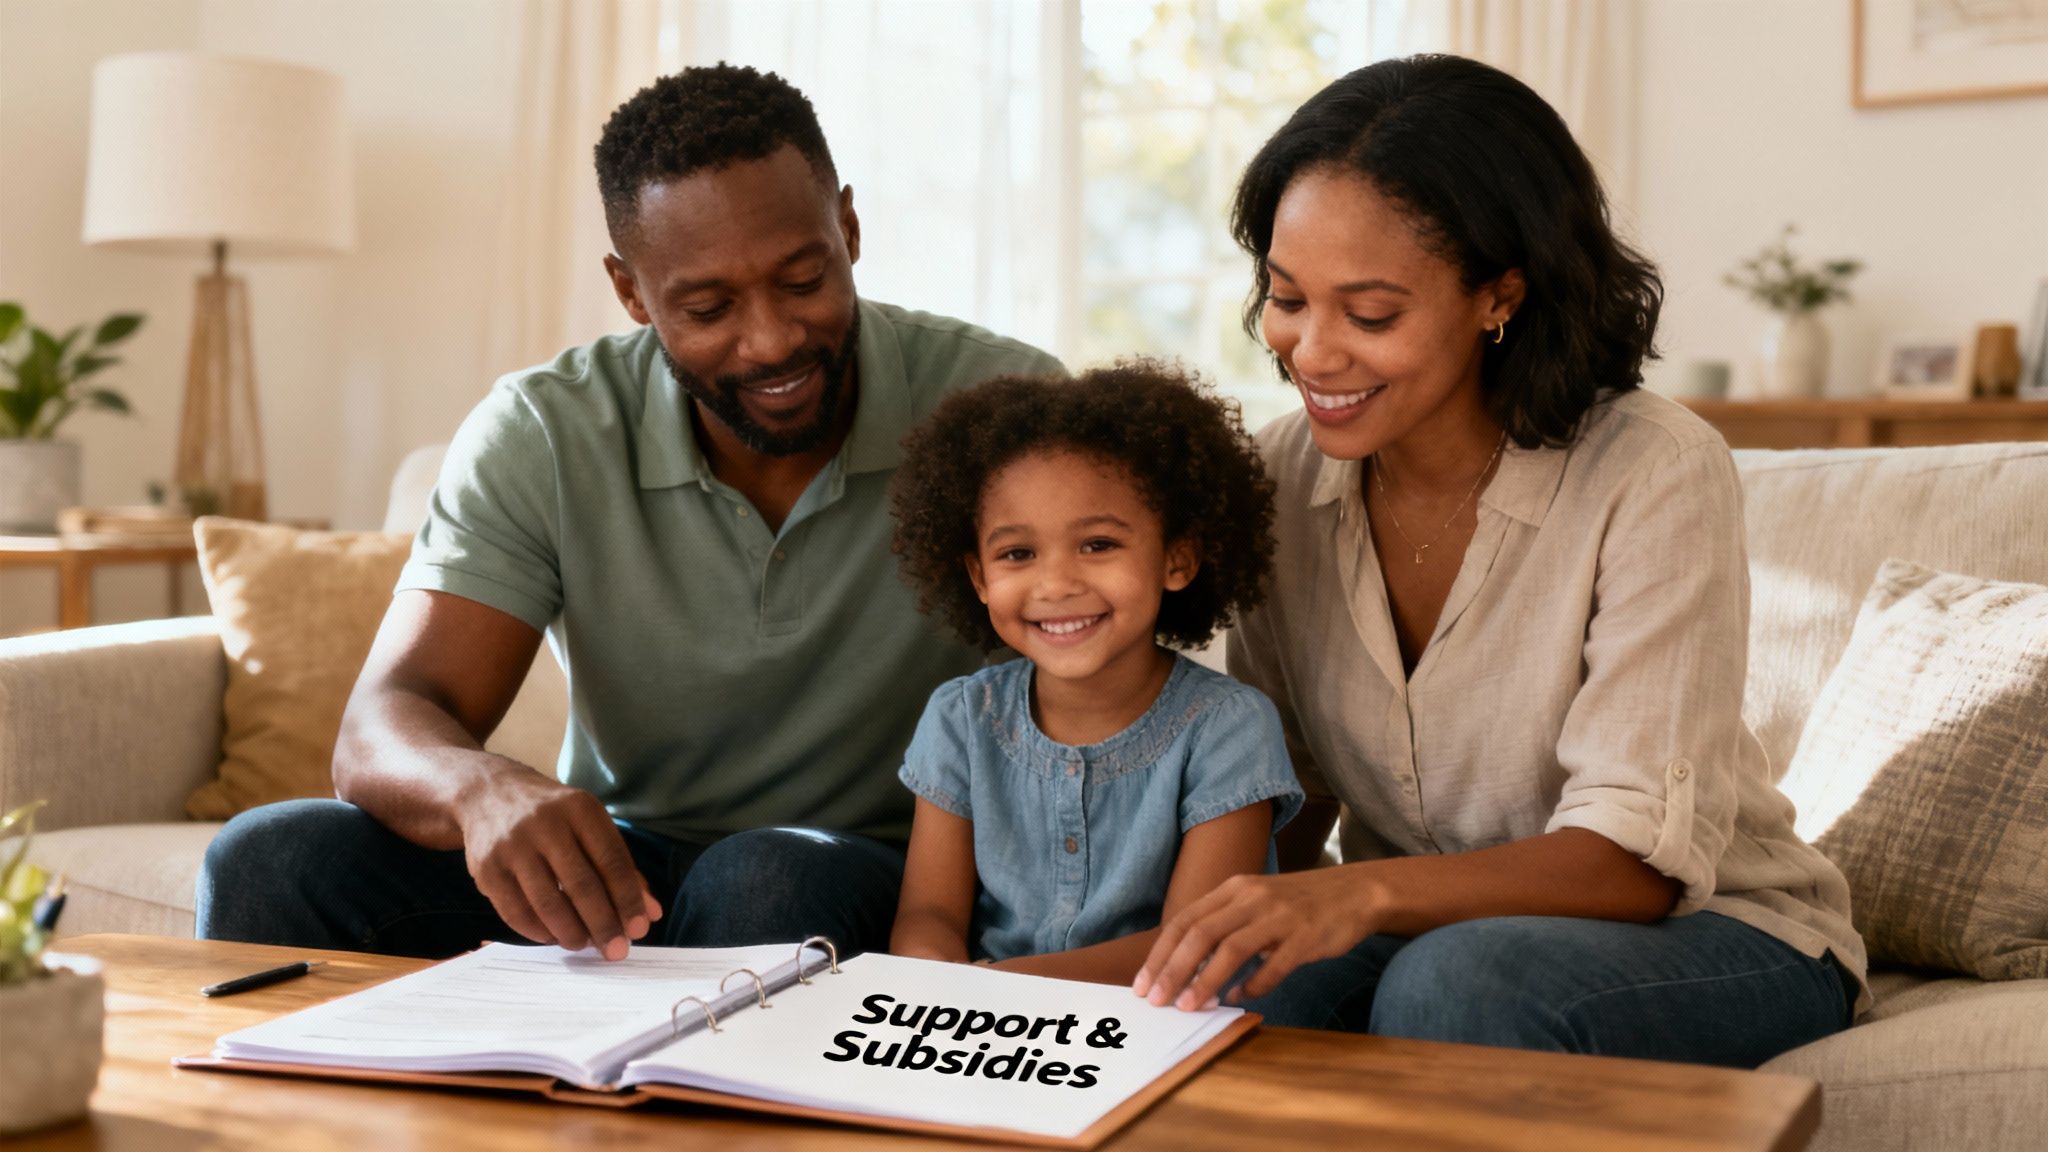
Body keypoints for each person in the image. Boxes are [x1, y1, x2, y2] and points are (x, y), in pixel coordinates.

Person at [196, 64, 1062, 962]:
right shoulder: (543, 431)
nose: (769, 340)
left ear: (847, 227)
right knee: (269, 858)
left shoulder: (1004, 407)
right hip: (623, 870)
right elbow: (386, 721)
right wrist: (481, 787)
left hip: (876, 872)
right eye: (708, 306)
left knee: (765, 877)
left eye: (803, 279)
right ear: (632, 292)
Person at [1130, 55, 1866, 1068]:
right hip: (1426, 931)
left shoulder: (1650, 468)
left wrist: (1358, 890)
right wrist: (1212, 950)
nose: (1308, 350)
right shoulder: (1277, 479)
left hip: (1716, 932)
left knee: (1460, 983)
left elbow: (1631, 865)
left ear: (1498, 296)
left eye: (1370, 312)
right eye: (1286, 296)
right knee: (1248, 993)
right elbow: (1280, 795)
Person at [886, 362, 1303, 984]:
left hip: (1163, 1033)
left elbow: (1194, 949)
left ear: (1178, 558)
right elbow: (927, 913)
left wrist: (1002, 987)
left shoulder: (1229, 727)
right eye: (1017, 554)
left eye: (1098, 544)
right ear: (978, 577)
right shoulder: (960, 718)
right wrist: (936, 980)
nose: (1056, 584)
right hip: (992, 1040)